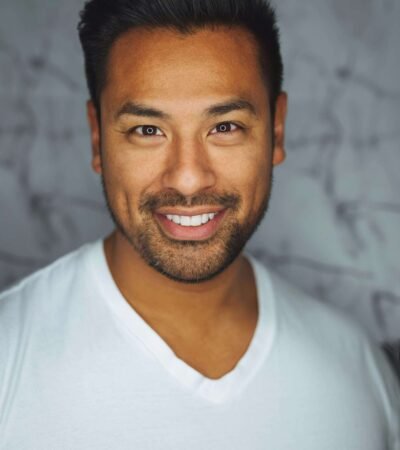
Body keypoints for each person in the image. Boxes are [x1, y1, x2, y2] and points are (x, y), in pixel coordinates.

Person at [0, 0, 399, 448]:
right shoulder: (10, 356)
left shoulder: (356, 372)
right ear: (97, 138)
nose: (188, 178)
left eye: (225, 127)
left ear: (276, 130)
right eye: (147, 130)